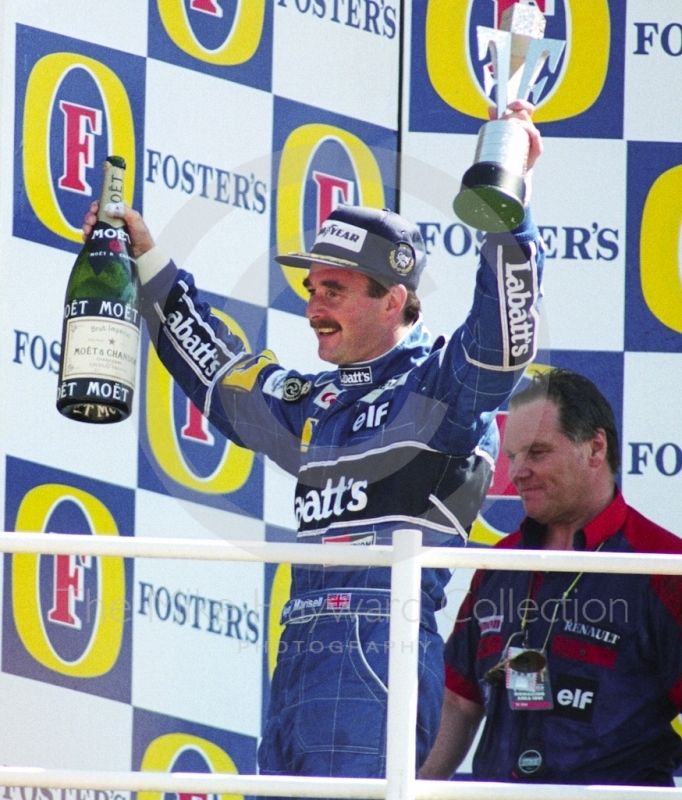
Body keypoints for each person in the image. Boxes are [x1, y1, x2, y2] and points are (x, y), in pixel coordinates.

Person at [84, 101, 544, 780]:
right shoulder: (310, 403)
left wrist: (511, 209)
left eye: (334, 289)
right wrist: (147, 258)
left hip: (377, 644)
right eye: (310, 288)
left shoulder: (439, 388)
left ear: (394, 299)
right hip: (299, 644)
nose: (312, 306)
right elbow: (216, 375)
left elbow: (504, 343)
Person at [419, 369, 682, 786]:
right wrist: (410, 789)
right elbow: (458, 701)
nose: (517, 472)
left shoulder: (664, 563)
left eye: (537, 453)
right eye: (513, 457)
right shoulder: (500, 562)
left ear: (595, 448)